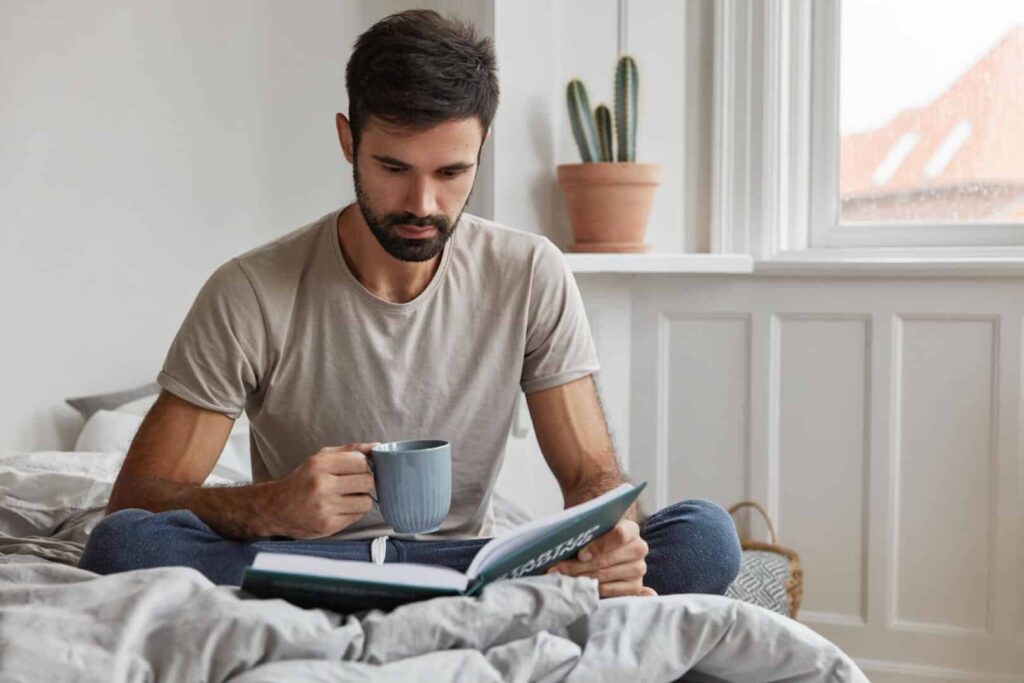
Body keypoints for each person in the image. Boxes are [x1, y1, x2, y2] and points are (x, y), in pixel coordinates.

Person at [79, 9, 741, 599]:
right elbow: (137, 504)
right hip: (301, 560)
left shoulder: (530, 271)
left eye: (451, 172)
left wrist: (614, 540)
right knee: (126, 546)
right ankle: (506, 603)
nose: (423, 204)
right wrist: (271, 507)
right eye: (394, 168)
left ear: (482, 148)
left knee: (706, 536)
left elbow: (588, 472)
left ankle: (481, 594)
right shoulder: (250, 291)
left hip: (468, 561)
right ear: (348, 141)